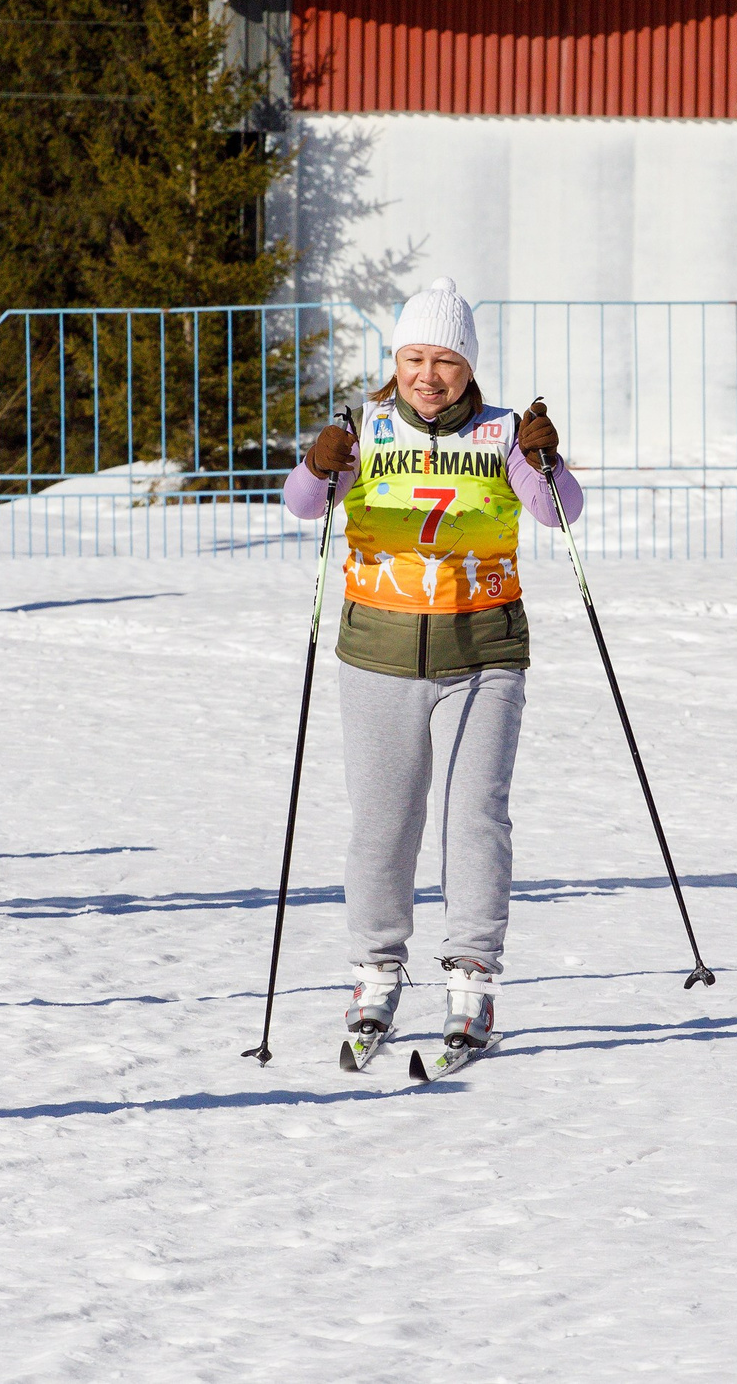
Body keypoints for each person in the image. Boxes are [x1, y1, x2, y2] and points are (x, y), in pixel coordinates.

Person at [280, 278, 582, 1061]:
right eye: (413, 356)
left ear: (467, 366)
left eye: (444, 360)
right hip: (377, 653)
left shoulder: (504, 433)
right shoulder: (367, 427)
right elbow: (304, 505)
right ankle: (376, 974)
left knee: (472, 815)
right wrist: (319, 463)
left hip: (482, 653)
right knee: (383, 822)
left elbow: (558, 513)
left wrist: (548, 457)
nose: (427, 373)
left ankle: (473, 981)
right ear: (395, 360)